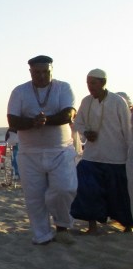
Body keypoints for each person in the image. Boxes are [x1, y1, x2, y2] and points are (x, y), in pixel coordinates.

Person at [7, 55, 77, 245]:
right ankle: (42, 235)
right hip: (29, 153)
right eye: (37, 72)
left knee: (64, 188)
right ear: (30, 72)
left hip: (60, 150)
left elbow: (68, 113)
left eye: (46, 71)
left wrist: (45, 121)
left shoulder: (63, 87)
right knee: (34, 197)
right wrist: (32, 122)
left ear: (52, 70)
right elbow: (12, 120)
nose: (41, 76)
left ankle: (62, 225)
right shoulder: (20, 92)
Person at [70, 69, 133, 234]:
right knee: (87, 189)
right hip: (92, 156)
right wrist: (86, 132)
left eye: (93, 83)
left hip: (116, 156)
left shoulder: (118, 102)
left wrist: (129, 152)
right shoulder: (86, 101)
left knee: (119, 192)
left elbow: (127, 129)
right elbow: (79, 123)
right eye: (88, 83)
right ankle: (92, 225)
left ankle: (127, 224)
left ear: (103, 83)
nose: (90, 87)